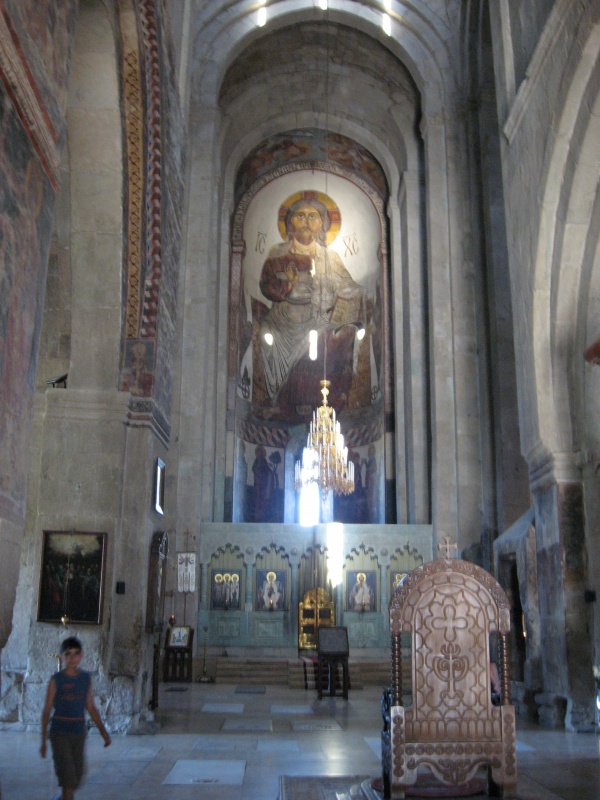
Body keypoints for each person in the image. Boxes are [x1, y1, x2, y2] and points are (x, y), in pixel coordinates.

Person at [259, 195, 364, 403]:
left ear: (322, 225)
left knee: (341, 335)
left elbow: (349, 287)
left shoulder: (330, 257)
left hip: (319, 319)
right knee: (265, 330)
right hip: (283, 320)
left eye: (313, 217)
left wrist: (356, 294)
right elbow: (267, 286)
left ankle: (329, 398)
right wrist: (289, 284)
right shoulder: (277, 253)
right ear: (290, 223)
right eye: (300, 216)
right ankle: (279, 398)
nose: (306, 221)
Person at [41, 636, 111, 800]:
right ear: (62, 656)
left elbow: (90, 707)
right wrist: (43, 741)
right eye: (68, 654)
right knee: (68, 779)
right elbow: (47, 710)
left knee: (77, 777)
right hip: (60, 733)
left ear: (81, 656)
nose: (72, 658)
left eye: (76, 654)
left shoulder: (85, 679)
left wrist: (104, 732)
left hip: (78, 733)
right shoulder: (56, 680)